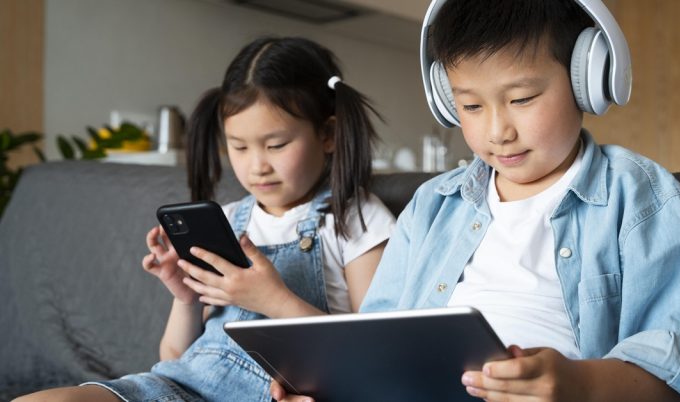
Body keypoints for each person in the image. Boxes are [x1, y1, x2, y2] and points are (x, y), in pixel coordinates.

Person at [271, 1, 680, 401]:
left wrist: (581, 386)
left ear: (587, 78)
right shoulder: (432, 206)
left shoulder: (644, 201)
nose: (497, 131)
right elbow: (377, 344)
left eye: (522, 98)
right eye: (470, 106)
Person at [16, 36, 395, 402]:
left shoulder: (356, 220)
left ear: (327, 134)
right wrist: (187, 299)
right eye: (239, 147)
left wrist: (273, 300)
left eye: (276, 145)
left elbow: (370, 360)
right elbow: (173, 358)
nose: (257, 165)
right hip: (181, 387)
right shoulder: (230, 220)